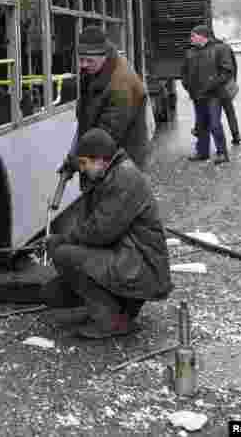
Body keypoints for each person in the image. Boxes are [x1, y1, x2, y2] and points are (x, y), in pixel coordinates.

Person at [42, 128, 173, 339]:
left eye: (85, 164)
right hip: (135, 259)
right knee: (54, 288)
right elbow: (98, 227)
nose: (83, 170)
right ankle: (115, 310)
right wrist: (74, 164)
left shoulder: (124, 179)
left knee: (64, 255)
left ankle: (113, 320)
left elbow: (100, 231)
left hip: (141, 266)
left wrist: (64, 239)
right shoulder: (113, 171)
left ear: (102, 160)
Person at [59, 25, 149, 182]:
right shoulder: (94, 71)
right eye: (81, 60)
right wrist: (74, 157)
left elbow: (105, 137)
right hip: (101, 164)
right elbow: (86, 120)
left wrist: (76, 162)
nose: (84, 65)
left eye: (89, 61)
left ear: (104, 56)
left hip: (121, 167)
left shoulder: (121, 84)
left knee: (112, 205)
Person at [181, 25, 233, 164]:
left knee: (215, 124)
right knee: (201, 125)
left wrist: (212, 85)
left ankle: (222, 153)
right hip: (197, 94)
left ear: (202, 36)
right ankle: (202, 153)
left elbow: (227, 71)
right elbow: (184, 72)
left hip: (214, 94)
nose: (190, 39)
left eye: (193, 36)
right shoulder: (190, 52)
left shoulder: (219, 49)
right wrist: (188, 86)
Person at [220, 38, 241, 146]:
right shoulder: (226, 48)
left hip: (215, 86)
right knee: (230, 111)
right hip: (226, 84)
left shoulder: (207, 49)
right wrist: (233, 81)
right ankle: (236, 135)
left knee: (212, 112)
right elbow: (234, 66)